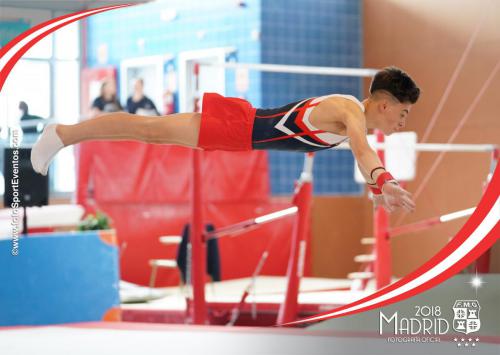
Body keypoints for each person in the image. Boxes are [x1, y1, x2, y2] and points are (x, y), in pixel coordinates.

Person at [31, 66, 419, 212]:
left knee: (148, 132)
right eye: (403, 112)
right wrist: (384, 181)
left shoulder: (354, 121)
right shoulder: (350, 111)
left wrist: (376, 189)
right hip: (239, 126)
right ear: (385, 104)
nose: (403, 121)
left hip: (240, 135)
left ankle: (65, 136)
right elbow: (363, 151)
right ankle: (63, 134)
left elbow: (359, 152)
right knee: (146, 129)